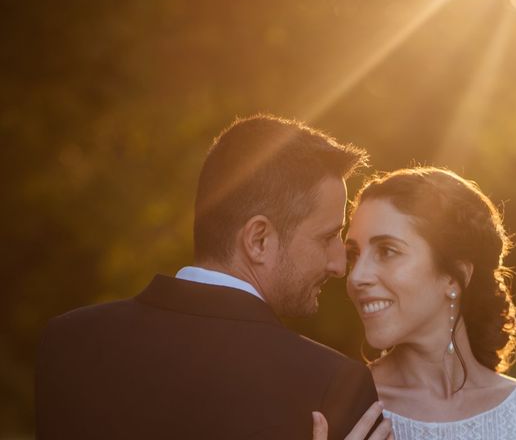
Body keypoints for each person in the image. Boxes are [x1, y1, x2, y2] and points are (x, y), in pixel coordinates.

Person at [36, 115, 392, 439]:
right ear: (258, 240)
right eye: (327, 237)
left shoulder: (69, 342)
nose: (338, 265)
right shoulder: (334, 387)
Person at [344, 166, 516, 440]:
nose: (356, 276)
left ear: (455, 278)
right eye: (353, 255)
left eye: (387, 251)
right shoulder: (342, 405)